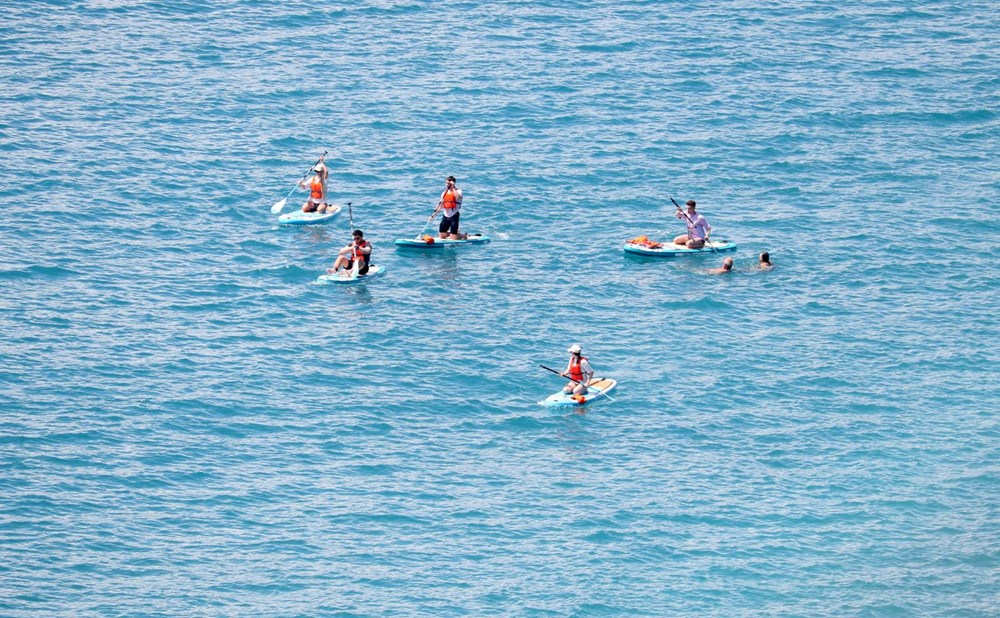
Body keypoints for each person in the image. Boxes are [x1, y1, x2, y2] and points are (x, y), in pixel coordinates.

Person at [434, 176, 467, 240]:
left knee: (453, 238)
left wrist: (453, 187)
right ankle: (455, 233)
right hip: (445, 216)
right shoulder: (444, 193)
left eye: (448, 183)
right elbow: (440, 205)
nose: (447, 185)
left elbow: (457, 197)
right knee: (442, 236)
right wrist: (433, 215)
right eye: (446, 183)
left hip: (454, 215)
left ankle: (463, 235)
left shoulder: (459, 191)